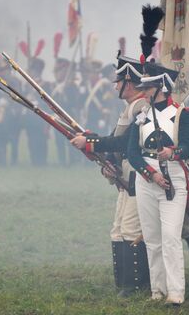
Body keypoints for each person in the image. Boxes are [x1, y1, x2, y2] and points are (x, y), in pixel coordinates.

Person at [71, 53, 150, 297]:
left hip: (139, 173)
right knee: (118, 229)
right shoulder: (131, 107)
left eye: (118, 81)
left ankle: (135, 286)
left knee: (130, 228)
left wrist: (91, 142)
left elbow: (125, 141)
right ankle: (123, 284)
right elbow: (119, 144)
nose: (115, 85)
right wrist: (110, 163)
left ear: (129, 82)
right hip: (127, 171)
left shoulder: (142, 107)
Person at [127, 60, 189, 305]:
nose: (143, 92)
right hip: (147, 178)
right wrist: (150, 174)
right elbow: (132, 153)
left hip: (173, 175)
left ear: (161, 87)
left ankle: (175, 293)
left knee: (170, 237)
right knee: (152, 237)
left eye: (148, 87)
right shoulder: (141, 115)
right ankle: (157, 290)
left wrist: (174, 153)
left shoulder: (182, 113)